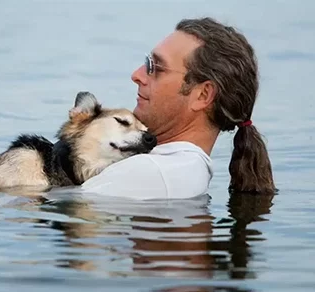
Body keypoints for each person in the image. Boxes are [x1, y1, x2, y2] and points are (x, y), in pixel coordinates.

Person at [81, 17, 275, 200]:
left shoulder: (152, 172)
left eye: (156, 67)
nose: (137, 75)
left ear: (203, 95)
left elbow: (65, 214)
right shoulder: (183, 169)